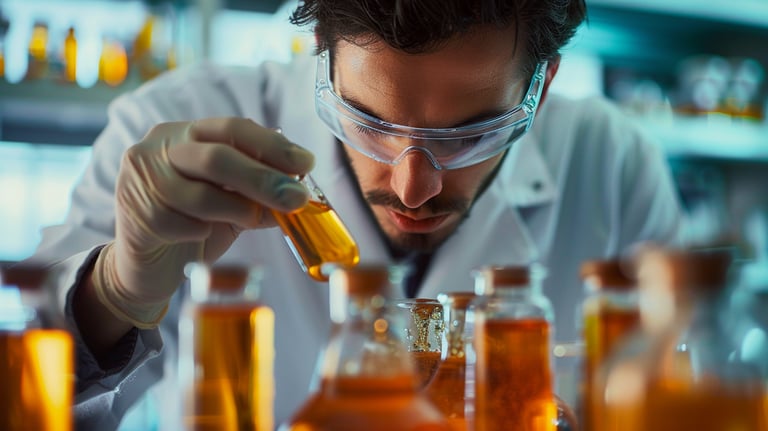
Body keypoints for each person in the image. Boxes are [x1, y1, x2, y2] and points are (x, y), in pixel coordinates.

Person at [25, 0, 683, 429]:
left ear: (544, 82)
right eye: (369, 121)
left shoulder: (613, 169)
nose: (414, 185)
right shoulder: (173, 123)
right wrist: (114, 294)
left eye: (471, 134)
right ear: (321, 50)